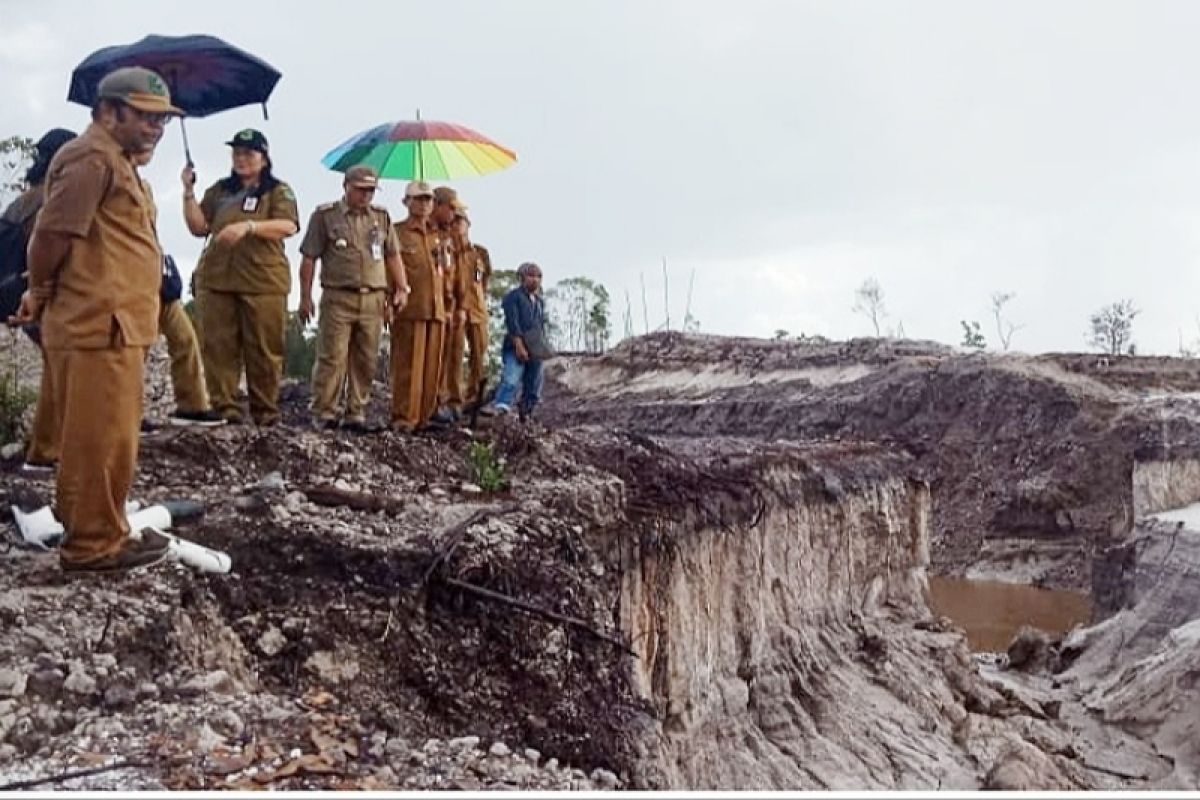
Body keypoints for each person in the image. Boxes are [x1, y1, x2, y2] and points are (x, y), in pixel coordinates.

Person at [9, 66, 181, 572]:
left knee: (112, 435)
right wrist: (38, 291)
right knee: (97, 437)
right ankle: (91, 545)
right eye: (146, 116)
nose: (156, 127)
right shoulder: (90, 157)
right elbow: (51, 236)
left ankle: (101, 528)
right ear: (108, 111)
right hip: (95, 323)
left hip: (117, 324)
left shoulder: (117, 161)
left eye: (162, 120)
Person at [182, 128, 299, 425]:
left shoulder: (277, 190)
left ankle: (265, 412)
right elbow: (199, 227)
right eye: (236, 153)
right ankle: (226, 409)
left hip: (262, 282)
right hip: (218, 279)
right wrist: (188, 193)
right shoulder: (221, 191)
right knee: (218, 347)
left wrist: (249, 227)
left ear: (264, 157)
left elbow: (288, 225)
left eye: (248, 153)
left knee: (264, 349)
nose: (241, 159)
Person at [298, 166, 407, 432]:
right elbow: (309, 257)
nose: (366, 195)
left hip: (373, 297)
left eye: (371, 190)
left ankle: (356, 411)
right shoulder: (325, 216)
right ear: (346, 187)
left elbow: (392, 254)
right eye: (361, 190)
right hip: (338, 296)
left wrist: (402, 287)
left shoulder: (381, 218)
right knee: (332, 356)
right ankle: (325, 410)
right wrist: (305, 296)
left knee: (366, 358)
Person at [0, 128, 77, 475]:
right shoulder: (53, 198)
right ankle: (50, 451)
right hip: (36, 295)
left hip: (13, 293)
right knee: (66, 370)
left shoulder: (24, 198)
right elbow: (46, 251)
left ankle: (45, 451)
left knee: (56, 370)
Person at [129, 147, 222, 427]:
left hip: (157, 275)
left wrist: (187, 186)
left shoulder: (143, 186)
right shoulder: (112, 183)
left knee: (184, 338)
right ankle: (129, 413)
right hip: (131, 278)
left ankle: (192, 404)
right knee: (136, 349)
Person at [390, 181, 453, 432]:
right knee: (408, 367)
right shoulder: (396, 232)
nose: (425, 204)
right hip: (410, 307)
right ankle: (404, 418)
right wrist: (389, 300)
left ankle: (425, 418)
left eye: (428, 199)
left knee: (431, 368)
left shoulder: (438, 236)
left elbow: (446, 273)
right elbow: (389, 268)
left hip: (435, 308)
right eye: (419, 199)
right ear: (406, 202)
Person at [442, 207, 491, 415]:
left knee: (479, 354)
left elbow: (485, 279)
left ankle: (475, 396)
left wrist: (478, 298)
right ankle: (454, 399)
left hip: (477, 311)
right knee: (454, 356)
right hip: (455, 311)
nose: (457, 225)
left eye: (461, 221)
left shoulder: (480, 252)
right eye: (453, 222)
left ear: (468, 224)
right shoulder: (446, 251)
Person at [485, 262, 549, 419]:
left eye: (538, 276)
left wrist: (543, 347)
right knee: (511, 378)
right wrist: (519, 344)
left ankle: (526, 413)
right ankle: (500, 408)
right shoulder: (513, 297)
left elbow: (540, 326)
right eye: (531, 275)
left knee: (534, 384)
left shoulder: (539, 302)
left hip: (535, 349)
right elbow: (512, 323)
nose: (535, 280)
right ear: (522, 278)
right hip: (515, 346)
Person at [431, 186, 466, 421]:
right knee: (430, 359)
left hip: (449, 307)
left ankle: (446, 402)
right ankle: (429, 405)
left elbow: (456, 277)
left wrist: (459, 305)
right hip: (427, 305)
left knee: (448, 359)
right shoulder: (425, 236)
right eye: (451, 208)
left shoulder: (450, 241)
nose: (454, 215)